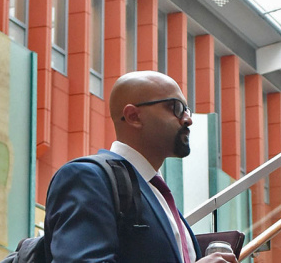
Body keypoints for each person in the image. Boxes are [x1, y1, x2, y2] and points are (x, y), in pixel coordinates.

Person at [44, 71, 237, 263]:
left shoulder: (159, 196)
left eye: (187, 110)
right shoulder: (87, 178)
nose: (188, 119)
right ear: (133, 116)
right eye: (176, 108)